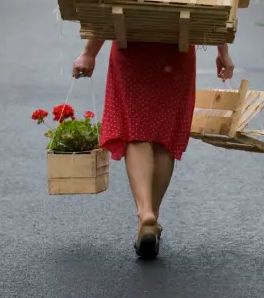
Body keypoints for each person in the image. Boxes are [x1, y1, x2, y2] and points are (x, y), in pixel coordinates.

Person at [72, 38, 234, 259]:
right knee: (163, 137)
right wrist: (223, 52)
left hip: (131, 47)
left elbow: (108, 6)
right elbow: (216, 7)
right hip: (176, 50)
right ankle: (150, 220)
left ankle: (145, 214)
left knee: (136, 131)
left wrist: (89, 52)